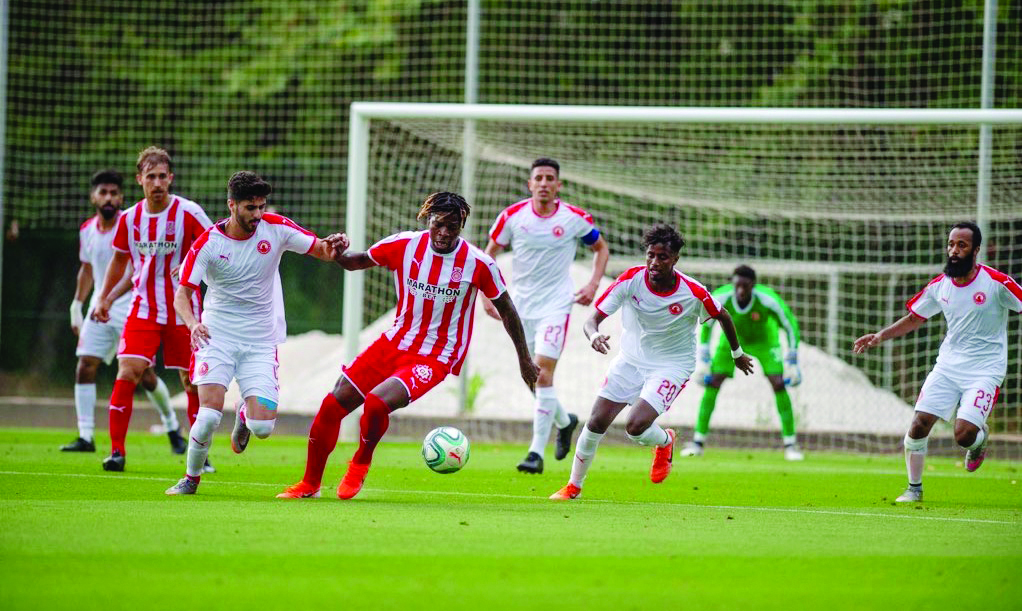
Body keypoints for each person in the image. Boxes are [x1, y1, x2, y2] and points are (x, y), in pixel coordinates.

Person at [277, 192, 539, 500]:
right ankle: (309, 485)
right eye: (438, 224)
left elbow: (508, 310)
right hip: (394, 342)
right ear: (428, 220)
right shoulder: (404, 245)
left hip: (436, 356)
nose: (443, 232)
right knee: (333, 405)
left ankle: (360, 461)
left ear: (461, 225)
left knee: (376, 403)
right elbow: (358, 262)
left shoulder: (478, 263)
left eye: (452, 226)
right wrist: (338, 255)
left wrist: (524, 360)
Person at [164, 171, 339, 495]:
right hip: (216, 336)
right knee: (207, 417)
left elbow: (322, 250)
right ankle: (190, 479)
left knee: (262, 427)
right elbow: (182, 295)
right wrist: (193, 324)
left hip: (260, 341)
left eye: (261, 206)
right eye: (250, 208)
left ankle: (245, 415)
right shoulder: (209, 243)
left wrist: (335, 245)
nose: (257, 214)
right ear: (232, 205)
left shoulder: (276, 228)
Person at [550, 225, 754, 500]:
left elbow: (724, 316)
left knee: (635, 427)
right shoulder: (631, 280)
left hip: (672, 365)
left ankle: (665, 441)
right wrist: (594, 336)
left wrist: (737, 353)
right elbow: (592, 320)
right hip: (630, 361)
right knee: (596, 422)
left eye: (663, 257)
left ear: (675, 259)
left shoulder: (693, 291)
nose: (655, 263)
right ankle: (573, 487)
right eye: (650, 255)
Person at [854, 221, 1021, 503]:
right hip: (947, 367)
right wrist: (880, 336)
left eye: (962, 245)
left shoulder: (996, 283)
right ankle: (913, 489)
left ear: (975, 250)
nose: (954, 250)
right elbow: (914, 318)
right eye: (951, 244)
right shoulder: (939, 286)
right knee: (919, 424)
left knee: (963, 434)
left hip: (985, 370)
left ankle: (979, 440)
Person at [482, 158, 609, 474]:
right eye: (538, 177)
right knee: (531, 375)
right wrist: (486, 294)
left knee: (542, 374)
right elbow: (489, 254)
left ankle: (535, 453)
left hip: (556, 305)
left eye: (549, 178)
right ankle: (564, 421)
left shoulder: (574, 219)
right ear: (529, 184)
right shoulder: (512, 217)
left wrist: (593, 284)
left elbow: (601, 249)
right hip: (519, 308)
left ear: (558, 185)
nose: (543, 183)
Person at [92, 147, 212, 472]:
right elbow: (120, 261)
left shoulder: (189, 213)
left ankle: (200, 455)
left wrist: (191, 265)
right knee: (127, 371)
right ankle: (117, 452)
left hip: (183, 309)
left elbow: (215, 246)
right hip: (143, 307)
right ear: (139, 179)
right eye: (151, 176)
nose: (157, 182)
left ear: (170, 178)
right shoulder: (129, 219)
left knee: (192, 381)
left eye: (162, 176)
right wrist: (103, 298)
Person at [65, 169, 186, 454]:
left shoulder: (133, 222)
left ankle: (172, 427)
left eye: (114, 193)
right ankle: (85, 436)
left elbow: (134, 266)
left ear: (121, 196)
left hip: (133, 304)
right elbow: (87, 268)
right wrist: (76, 304)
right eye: (103, 192)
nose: (109, 198)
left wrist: (108, 297)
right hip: (99, 306)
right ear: (94, 197)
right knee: (85, 366)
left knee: (144, 376)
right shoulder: (87, 230)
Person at [682, 264, 804, 460]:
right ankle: (697, 442)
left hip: (764, 341)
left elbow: (790, 325)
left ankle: (791, 444)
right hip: (731, 341)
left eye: (745, 286)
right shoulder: (722, 297)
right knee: (712, 381)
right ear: (733, 283)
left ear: (753, 285)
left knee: (779, 383)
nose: (740, 290)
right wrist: (703, 360)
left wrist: (793, 361)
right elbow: (706, 326)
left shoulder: (767, 299)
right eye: (737, 285)